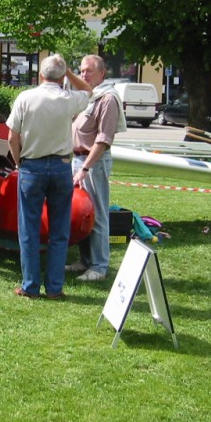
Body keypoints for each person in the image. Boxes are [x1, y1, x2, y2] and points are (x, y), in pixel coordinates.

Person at [6, 54, 90, 298]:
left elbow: (13, 137)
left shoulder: (25, 97)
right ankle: (54, 287)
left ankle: (30, 285)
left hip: (32, 166)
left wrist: (20, 162)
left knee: (29, 229)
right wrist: (69, 72)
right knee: (59, 230)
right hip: (62, 166)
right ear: (62, 77)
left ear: (40, 75)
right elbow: (88, 89)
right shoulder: (68, 98)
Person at [66, 55, 127, 282]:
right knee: (83, 213)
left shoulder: (108, 98)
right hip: (79, 160)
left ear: (102, 73)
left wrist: (86, 168)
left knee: (98, 215)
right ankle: (85, 260)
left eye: (89, 71)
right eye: (82, 70)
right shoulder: (89, 96)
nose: (84, 75)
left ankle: (99, 267)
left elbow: (103, 140)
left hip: (93, 163)